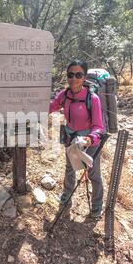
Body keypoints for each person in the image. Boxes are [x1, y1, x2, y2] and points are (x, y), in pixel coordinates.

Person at [49, 59, 105, 218]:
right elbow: (52, 106)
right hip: (71, 139)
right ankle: (67, 193)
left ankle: (96, 203)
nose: (74, 78)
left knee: (93, 173)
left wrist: (90, 139)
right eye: (70, 75)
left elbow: (99, 126)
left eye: (78, 75)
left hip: (89, 141)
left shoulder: (92, 98)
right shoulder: (64, 94)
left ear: (84, 77)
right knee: (70, 168)